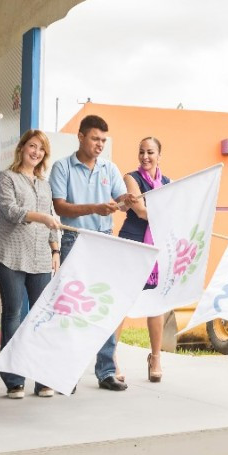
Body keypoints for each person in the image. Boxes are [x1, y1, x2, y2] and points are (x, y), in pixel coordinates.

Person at [51, 115, 137, 392]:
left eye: (103, 140)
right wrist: (94, 208)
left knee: (105, 306)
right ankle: (68, 371)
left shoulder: (109, 169)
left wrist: (126, 200)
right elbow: (61, 207)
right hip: (73, 240)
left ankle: (107, 371)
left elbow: (120, 201)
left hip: (104, 241)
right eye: (94, 138)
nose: (100, 144)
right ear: (80, 137)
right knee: (72, 308)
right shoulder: (62, 167)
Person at [0, 130, 62, 399]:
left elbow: (53, 219)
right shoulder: (7, 178)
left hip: (42, 258)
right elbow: (10, 212)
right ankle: (13, 380)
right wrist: (41, 217)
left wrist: (55, 249)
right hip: (10, 256)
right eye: (32, 146)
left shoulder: (44, 185)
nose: (36, 152)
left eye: (41, 149)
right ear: (21, 148)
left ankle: (44, 378)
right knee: (13, 315)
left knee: (42, 317)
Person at [117, 137, 171, 383]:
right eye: (141, 152)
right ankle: (110, 359)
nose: (145, 157)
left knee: (156, 303)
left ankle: (156, 357)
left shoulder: (168, 183)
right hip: (133, 242)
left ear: (160, 155)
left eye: (150, 152)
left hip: (158, 245)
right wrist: (166, 218)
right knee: (123, 301)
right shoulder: (131, 178)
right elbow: (139, 210)